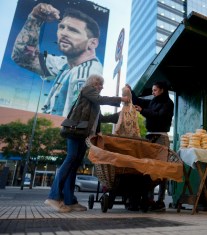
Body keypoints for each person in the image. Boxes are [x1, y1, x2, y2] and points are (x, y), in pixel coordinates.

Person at [44, 74, 129, 213]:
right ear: (93, 83)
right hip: (76, 132)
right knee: (71, 159)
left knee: (74, 165)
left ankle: (69, 201)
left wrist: (121, 114)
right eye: (100, 84)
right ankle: (54, 196)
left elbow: (101, 118)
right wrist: (121, 99)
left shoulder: (93, 102)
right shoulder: (87, 89)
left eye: (102, 84)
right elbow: (100, 99)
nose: (101, 87)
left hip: (84, 136)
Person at [11, 3, 103, 117]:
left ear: (92, 43)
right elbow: (22, 57)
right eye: (61, 27)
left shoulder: (86, 73)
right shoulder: (67, 63)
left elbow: (78, 119)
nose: (63, 33)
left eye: (73, 30)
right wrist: (35, 17)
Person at [126, 81, 174, 212]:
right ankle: (149, 198)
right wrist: (131, 92)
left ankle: (160, 200)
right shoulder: (153, 101)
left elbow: (159, 116)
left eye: (155, 90)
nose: (153, 92)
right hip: (149, 137)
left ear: (162, 90)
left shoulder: (168, 104)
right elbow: (139, 101)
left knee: (161, 169)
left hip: (161, 138)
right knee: (148, 168)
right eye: (152, 90)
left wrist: (142, 111)